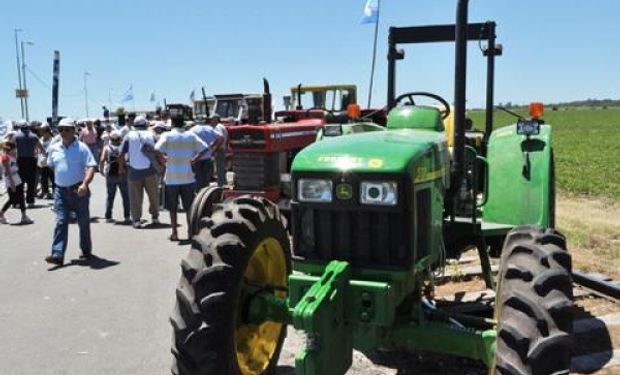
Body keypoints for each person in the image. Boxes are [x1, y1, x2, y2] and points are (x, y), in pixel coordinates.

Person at [44, 118, 97, 266]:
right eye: (60, 129)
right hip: (60, 191)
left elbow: (91, 166)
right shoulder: (54, 148)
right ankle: (57, 254)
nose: (63, 132)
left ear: (73, 130)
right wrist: (62, 178)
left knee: (83, 222)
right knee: (61, 222)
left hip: (78, 189)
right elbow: (51, 166)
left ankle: (86, 251)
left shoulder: (82, 148)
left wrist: (85, 184)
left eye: (67, 129)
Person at [155, 115, 208, 241]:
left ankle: (174, 233)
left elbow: (157, 149)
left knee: (172, 208)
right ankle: (190, 232)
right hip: (187, 177)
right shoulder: (190, 135)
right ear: (183, 123)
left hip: (172, 177)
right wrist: (194, 160)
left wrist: (163, 160)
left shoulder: (167, 135)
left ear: (172, 123)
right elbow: (205, 148)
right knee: (189, 207)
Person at [118, 115, 161, 228]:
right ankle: (155, 217)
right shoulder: (152, 134)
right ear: (146, 124)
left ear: (134, 125)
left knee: (135, 197)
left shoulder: (128, 136)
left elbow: (121, 154)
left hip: (133, 171)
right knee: (154, 195)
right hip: (151, 170)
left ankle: (136, 220)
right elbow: (159, 151)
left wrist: (121, 168)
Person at [0, 138, 34, 224]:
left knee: (21, 197)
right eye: (14, 149)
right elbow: (7, 171)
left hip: (16, 177)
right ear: (10, 149)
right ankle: (1, 214)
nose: (15, 150)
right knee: (12, 199)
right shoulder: (5, 157)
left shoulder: (12, 156)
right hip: (10, 178)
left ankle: (24, 216)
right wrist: (12, 183)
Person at [99, 130, 130, 223]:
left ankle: (108, 216)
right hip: (123, 174)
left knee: (110, 196)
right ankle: (127, 216)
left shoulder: (107, 147)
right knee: (125, 196)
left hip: (110, 173)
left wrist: (101, 170)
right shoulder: (123, 147)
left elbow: (102, 160)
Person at [14, 119, 46, 207]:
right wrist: (45, 156)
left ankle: (18, 202)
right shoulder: (34, 136)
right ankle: (30, 201)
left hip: (20, 160)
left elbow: (12, 149)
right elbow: (42, 148)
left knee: (20, 182)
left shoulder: (16, 136)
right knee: (31, 182)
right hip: (32, 160)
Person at [190, 117, 221, 189]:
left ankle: (198, 195)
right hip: (207, 157)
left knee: (197, 178)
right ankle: (205, 195)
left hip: (196, 158)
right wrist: (213, 148)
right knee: (206, 179)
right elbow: (220, 138)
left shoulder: (193, 130)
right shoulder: (210, 129)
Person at [38, 123, 55, 199]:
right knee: (43, 179)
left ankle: (55, 192)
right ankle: (46, 192)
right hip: (42, 163)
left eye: (43, 131)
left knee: (53, 178)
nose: (41, 132)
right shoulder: (40, 139)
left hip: (51, 163)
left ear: (47, 131)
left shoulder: (53, 140)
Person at [210, 114, 228, 186]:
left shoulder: (218, 127)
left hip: (219, 149)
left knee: (219, 169)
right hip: (222, 148)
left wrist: (214, 149)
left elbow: (220, 138)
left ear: (215, 119)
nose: (210, 121)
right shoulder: (222, 126)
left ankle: (221, 185)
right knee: (221, 168)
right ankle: (224, 183)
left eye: (212, 119)